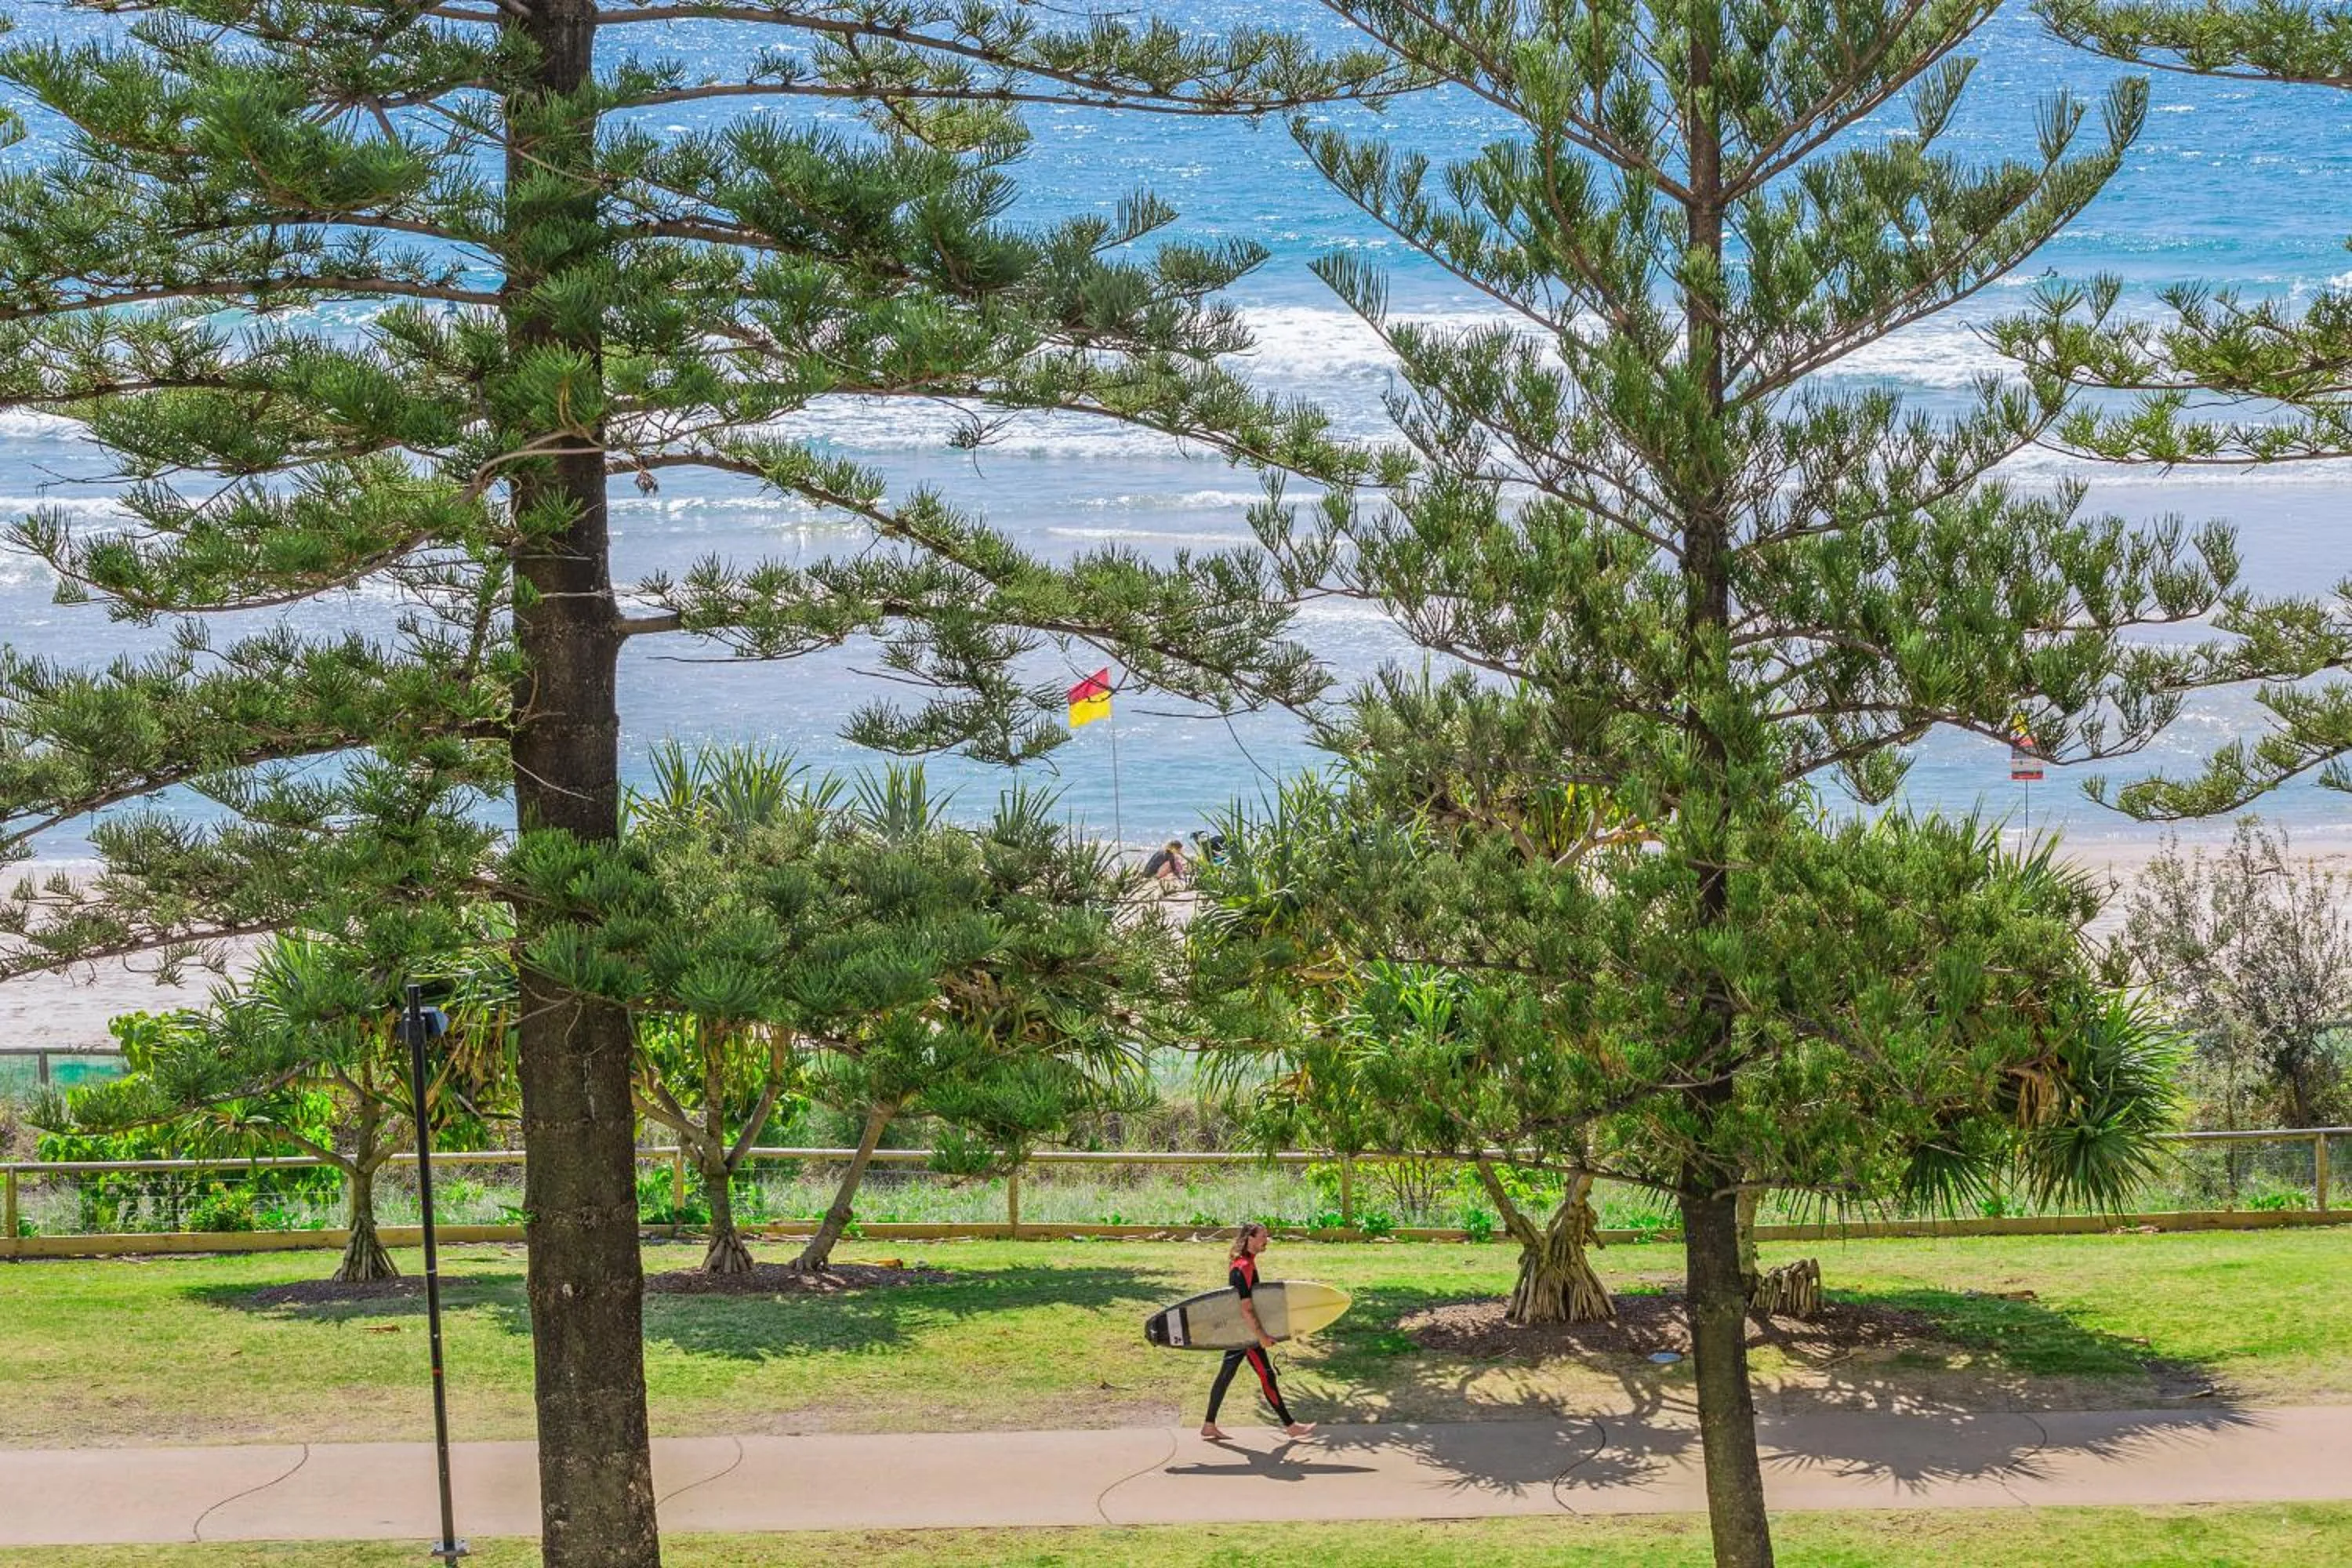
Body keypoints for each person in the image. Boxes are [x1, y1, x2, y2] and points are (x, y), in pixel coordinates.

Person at [1200, 1221, 1316, 1440]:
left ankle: (1209, 1424)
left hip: (1242, 1330)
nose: (1266, 1240)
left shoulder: (1244, 1263)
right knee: (1266, 1375)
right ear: (1250, 1239)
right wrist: (1261, 1336)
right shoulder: (1243, 1266)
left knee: (1226, 1375)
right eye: (1263, 1236)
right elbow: (1245, 1307)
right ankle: (1290, 1426)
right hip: (1246, 1333)